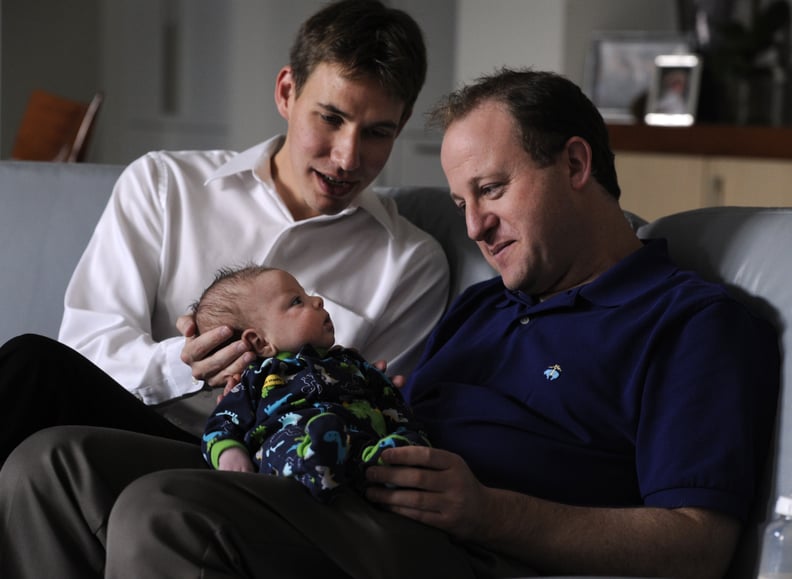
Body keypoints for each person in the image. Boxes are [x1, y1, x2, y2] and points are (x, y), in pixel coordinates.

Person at [0, 68, 778, 579]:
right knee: (51, 463)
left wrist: (490, 510)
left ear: (575, 165)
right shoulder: (487, 303)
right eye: (463, 201)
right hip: (343, 488)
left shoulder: (690, 322)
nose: (473, 226)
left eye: (492, 190)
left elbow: (697, 541)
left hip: (464, 548)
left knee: (163, 510)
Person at [0, 0, 448, 462]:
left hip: (272, 470)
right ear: (287, 92)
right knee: (31, 365)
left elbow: (377, 419)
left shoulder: (411, 264)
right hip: (132, 427)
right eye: (331, 119)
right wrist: (183, 364)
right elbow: (88, 349)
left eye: (377, 132)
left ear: (402, 126)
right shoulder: (163, 184)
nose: (348, 158)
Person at [195, 265, 429, 502]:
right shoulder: (257, 379)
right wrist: (229, 452)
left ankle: (376, 468)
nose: (317, 300)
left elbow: (391, 402)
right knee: (281, 444)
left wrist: (410, 435)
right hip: (294, 441)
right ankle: (311, 464)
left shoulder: (352, 363)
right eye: (297, 301)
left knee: (391, 445)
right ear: (260, 341)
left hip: (361, 439)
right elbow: (222, 421)